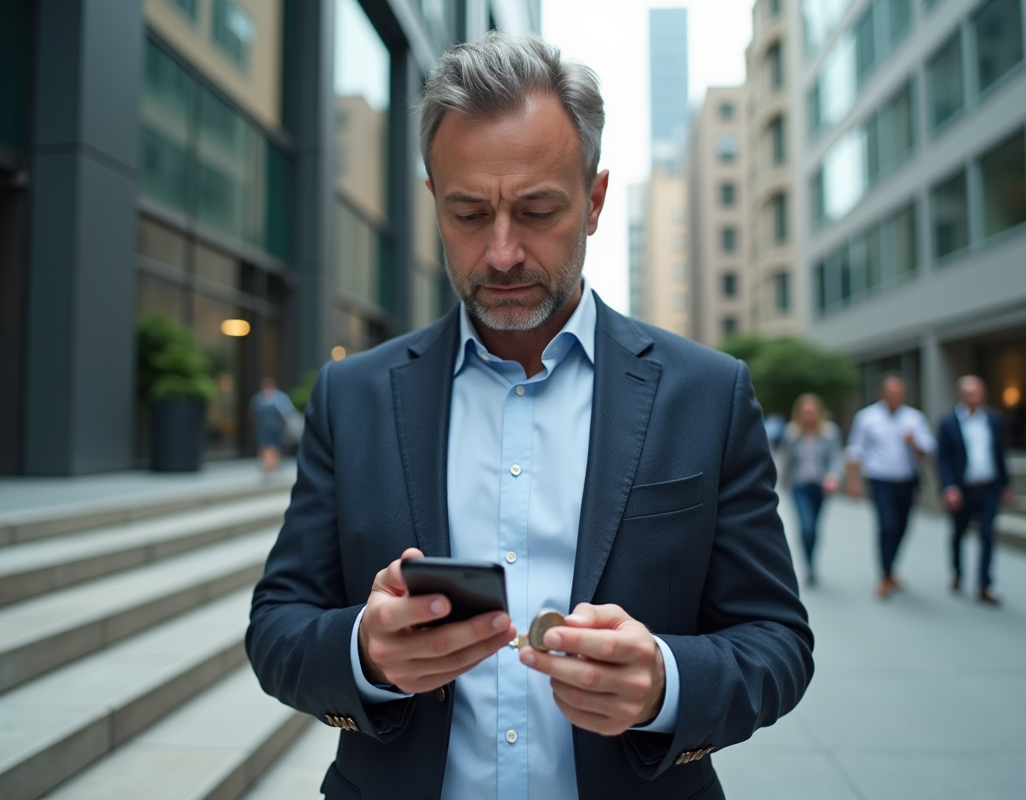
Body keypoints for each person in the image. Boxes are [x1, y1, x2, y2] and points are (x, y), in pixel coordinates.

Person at [246, 33, 812, 800]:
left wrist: (665, 684)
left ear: (596, 200)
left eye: (538, 209)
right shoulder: (354, 396)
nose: (503, 252)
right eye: (470, 213)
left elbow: (776, 642)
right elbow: (277, 627)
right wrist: (366, 655)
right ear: (432, 205)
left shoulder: (707, 393)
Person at [846, 374, 936, 599]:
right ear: (882, 394)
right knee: (887, 525)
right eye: (890, 393)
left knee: (902, 527)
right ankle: (885, 575)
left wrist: (913, 442)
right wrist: (853, 480)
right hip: (880, 480)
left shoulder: (914, 419)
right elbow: (855, 449)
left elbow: (928, 451)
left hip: (906, 481)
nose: (895, 397)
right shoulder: (867, 417)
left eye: (899, 394)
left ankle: (891, 567)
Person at [936, 376, 1011, 605]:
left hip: (988, 487)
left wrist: (1006, 484)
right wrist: (949, 487)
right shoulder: (948, 422)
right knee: (959, 534)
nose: (974, 397)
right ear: (960, 395)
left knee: (987, 535)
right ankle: (958, 572)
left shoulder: (993, 419)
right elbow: (943, 459)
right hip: (962, 489)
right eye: (969, 393)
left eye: (977, 392)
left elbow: (1000, 454)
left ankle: (985, 584)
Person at [782, 394, 843, 587]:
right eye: (805, 412)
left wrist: (833, 476)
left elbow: (836, 458)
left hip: (820, 486)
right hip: (799, 485)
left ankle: (812, 562)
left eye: (812, 412)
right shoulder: (792, 433)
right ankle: (808, 566)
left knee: (814, 528)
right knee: (806, 527)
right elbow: (787, 461)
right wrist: (780, 484)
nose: (809, 416)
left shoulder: (830, 432)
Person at [249, 377, 297, 474]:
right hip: (263, 427)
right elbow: (252, 413)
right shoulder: (258, 398)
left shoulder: (281, 398)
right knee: (265, 446)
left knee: (275, 446)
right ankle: (268, 466)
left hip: (277, 427)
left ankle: (273, 466)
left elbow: (288, 413)